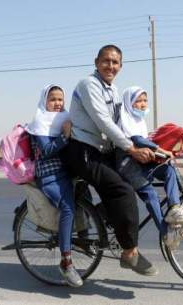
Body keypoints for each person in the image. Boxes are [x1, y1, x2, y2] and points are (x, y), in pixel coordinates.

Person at [60, 45, 158, 276]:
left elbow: (122, 122)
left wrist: (148, 142)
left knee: (128, 183)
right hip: (82, 151)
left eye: (115, 63)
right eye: (106, 61)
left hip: (100, 151)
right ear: (96, 62)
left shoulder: (112, 90)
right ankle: (129, 253)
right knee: (122, 191)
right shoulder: (88, 85)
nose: (110, 66)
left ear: (121, 66)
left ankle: (103, 216)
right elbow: (104, 122)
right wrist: (132, 149)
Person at [117, 86, 183, 250]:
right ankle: (165, 233)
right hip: (128, 166)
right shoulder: (125, 119)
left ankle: (174, 207)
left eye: (145, 100)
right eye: (138, 101)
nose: (143, 104)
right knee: (150, 194)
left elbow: (145, 140)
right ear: (129, 103)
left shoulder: (138, 121)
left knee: (168, 169)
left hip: (141, 161)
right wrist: (161, 150)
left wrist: (163, 153)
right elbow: (137, 139)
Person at [26, 84, 83, 287]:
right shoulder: (40, 122)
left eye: (60, 99)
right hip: (49, 175)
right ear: (45, 101)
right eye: (53, 99)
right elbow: (48, 150)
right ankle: (66, 261)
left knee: (86, 194)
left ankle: (84, 237)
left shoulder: (65, 117)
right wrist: (64, 135)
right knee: (68, 208)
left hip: (66, 171)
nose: (58, 103)